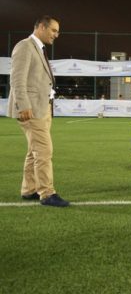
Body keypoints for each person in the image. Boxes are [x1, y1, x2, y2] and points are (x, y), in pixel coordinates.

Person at [7, 15, 70, 207]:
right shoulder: (25, 46)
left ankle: (29, 189)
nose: (56, 35)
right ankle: (47, 193)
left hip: (42, 108)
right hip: (31, 109)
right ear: (41, 27)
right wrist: (23, 105)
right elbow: (17, 79)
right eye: (53, 30)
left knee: (33, 151)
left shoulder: (38, 48)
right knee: (43, 150)